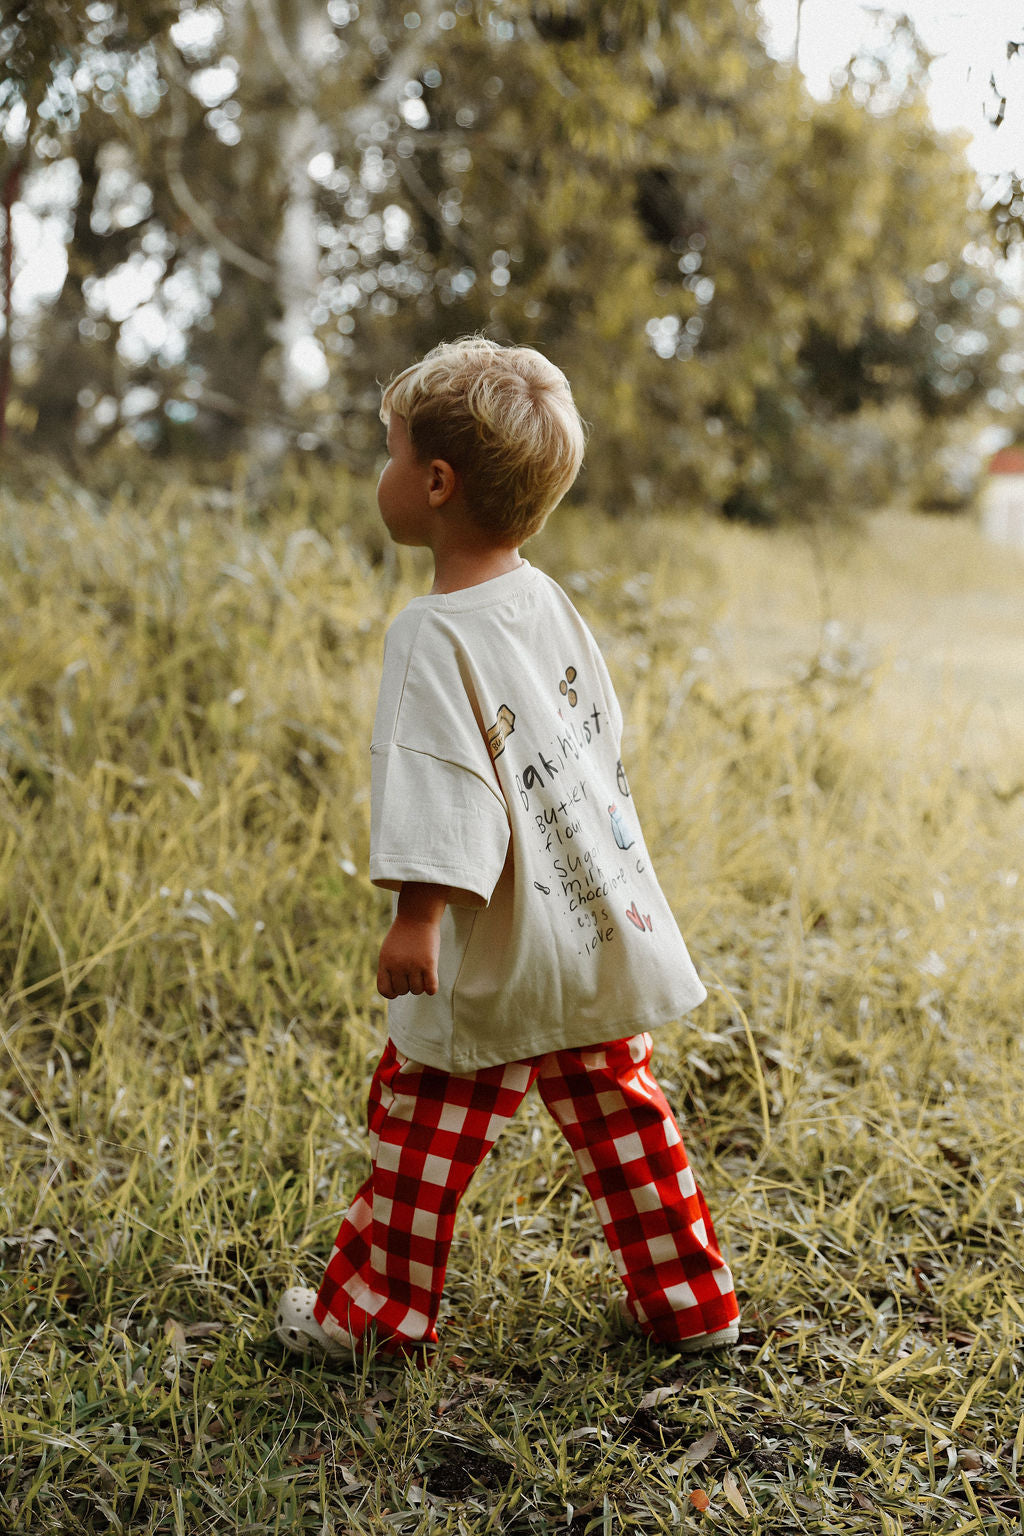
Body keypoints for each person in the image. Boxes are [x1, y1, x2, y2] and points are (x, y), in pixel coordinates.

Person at [275, 337, 739, 1361]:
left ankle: (373, 1316)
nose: (385, 473)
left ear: (436, 484)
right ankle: (692, 1304)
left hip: (489, 954)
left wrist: (416, 919)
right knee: (627, 1127)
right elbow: (592, 734)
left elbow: (442, 784)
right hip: (587, 921)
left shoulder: (431, 632)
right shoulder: (545, 600)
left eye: (392, 453)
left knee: (421, 1136)